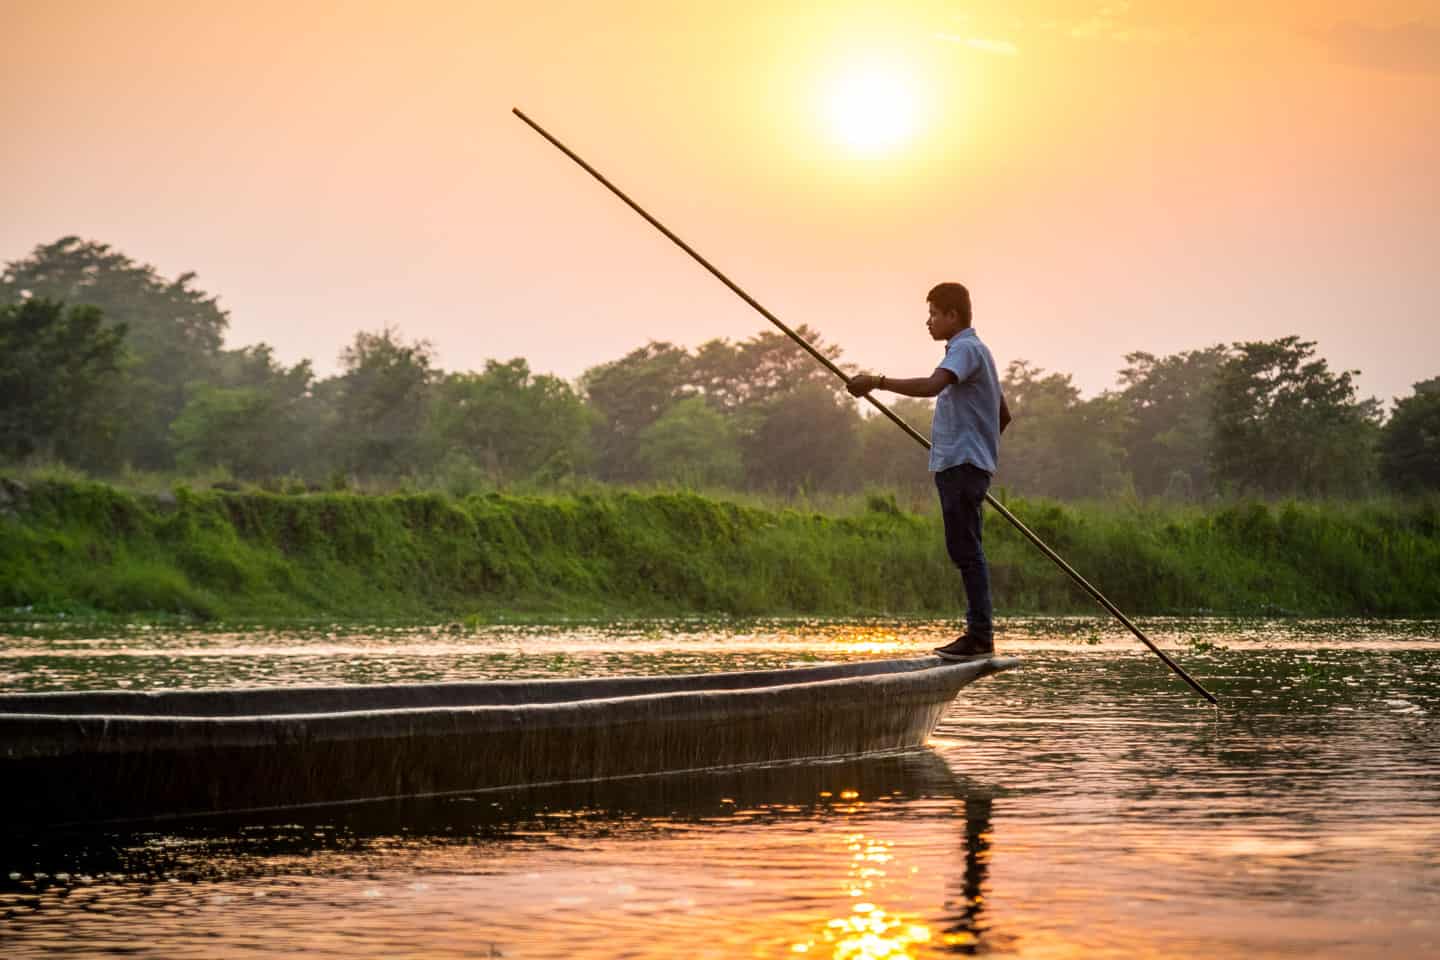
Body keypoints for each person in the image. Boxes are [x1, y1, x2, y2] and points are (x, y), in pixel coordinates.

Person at [847, 282, 1011, 661]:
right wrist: (977, 444)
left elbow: (932, 386)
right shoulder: (977, 352)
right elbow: (1002, 414)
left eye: (934, 314)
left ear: (954, 315)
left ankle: (980, 636)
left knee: (966, 551)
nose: (929, 321)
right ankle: (979, 634)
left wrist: (876, 381)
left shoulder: (966, 349)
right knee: (967, 549)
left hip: (962, 466)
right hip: (966, 464)